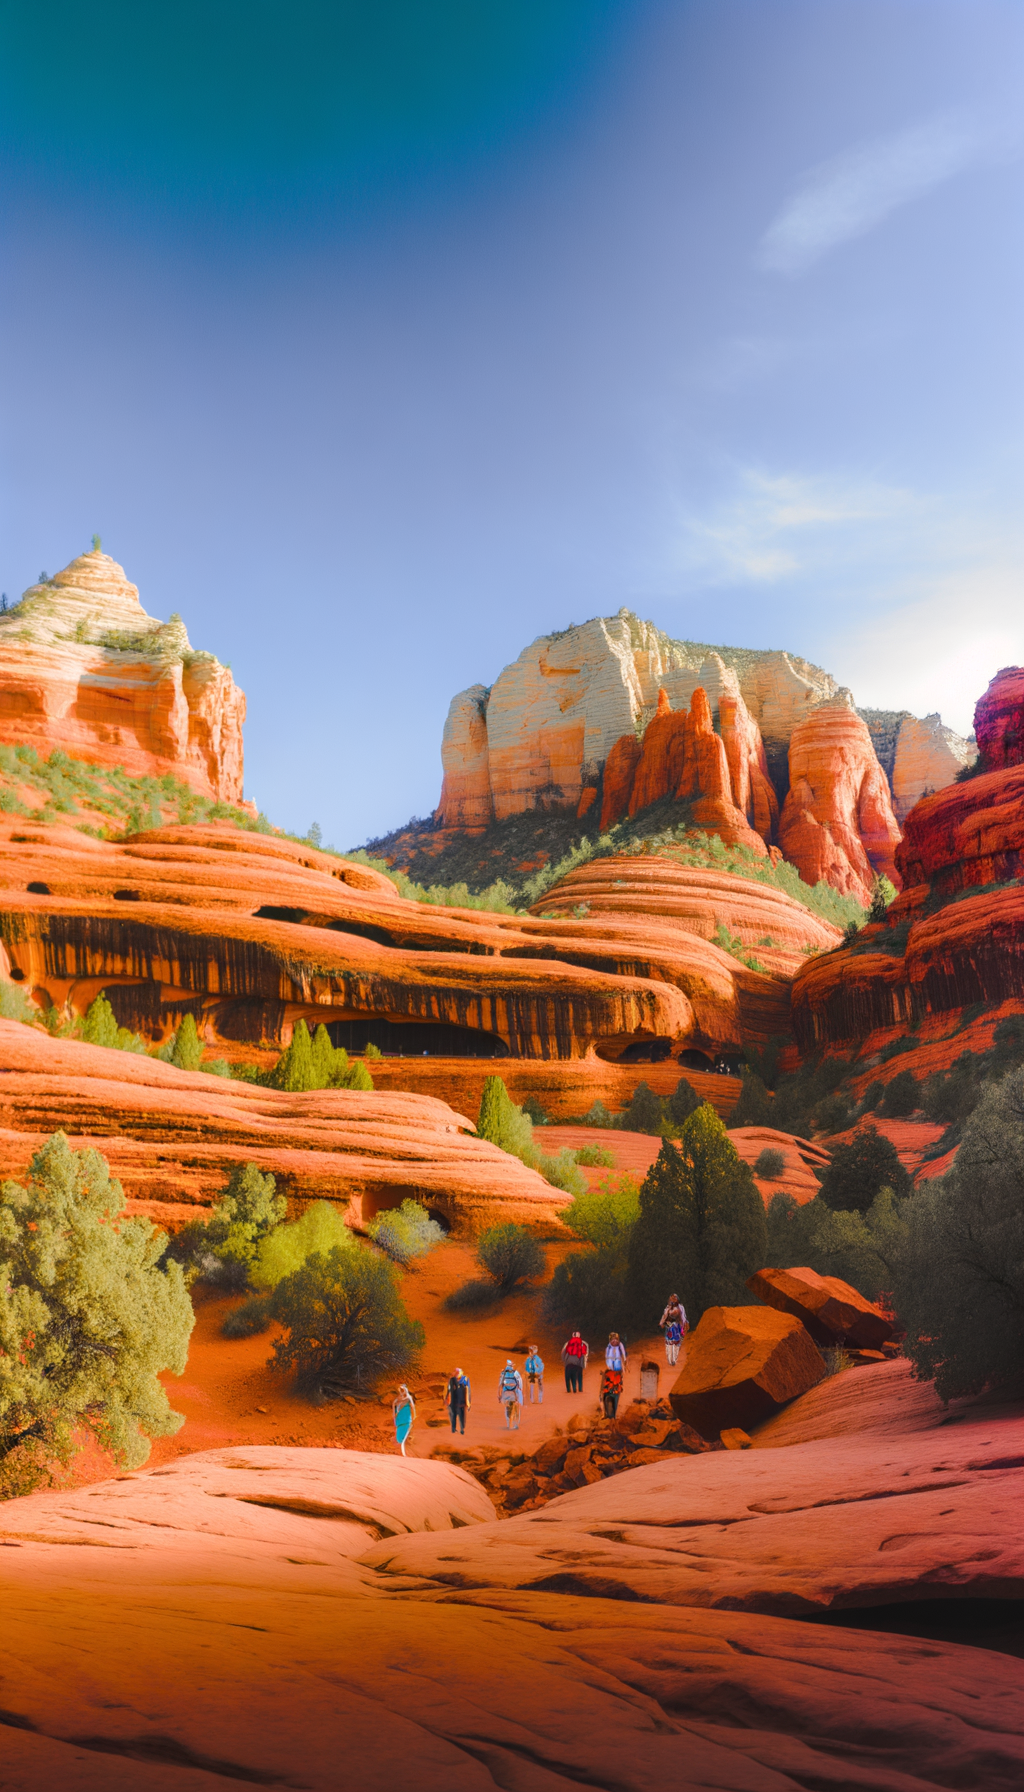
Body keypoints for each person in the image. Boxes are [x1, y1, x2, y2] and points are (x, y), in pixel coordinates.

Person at [660, 1295, 687, 1367]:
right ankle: (670, 1359)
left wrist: (683, 1326)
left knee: (676, 1345)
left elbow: (682, 1317)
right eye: (672, 1300)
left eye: (674, 1300)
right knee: (669, 1344)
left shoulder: (680, 1308)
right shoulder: (667, 1309)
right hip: (670, 1328)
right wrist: (662, 1323)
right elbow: (664, 1317)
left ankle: (674, 1360)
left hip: (676, 1328)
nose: (673, 1302)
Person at [498, 1359, 524, 1429]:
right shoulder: (516, 1373)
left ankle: (508, 1424)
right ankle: (515, 1424)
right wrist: (520, 1393)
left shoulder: (503, 1373)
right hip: (514, 1394)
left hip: (505, 1394)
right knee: (516, 1408)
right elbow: (520, 1384)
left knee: (507, 1408)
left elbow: (500, 1385)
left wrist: (499, 1395)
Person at [445, 1366, 471, 1435]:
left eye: (457, 1372)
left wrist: (468, 1402)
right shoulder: (452, 1380)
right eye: (455, 1372)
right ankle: (453, 1429)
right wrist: (447, 1398)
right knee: (453, 1416)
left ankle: (462, 1429)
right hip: (453, 1402)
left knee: (462, 1416)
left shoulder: (465, 1379)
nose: (456, 1374)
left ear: (461, 1373)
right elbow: (449, 1389)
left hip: (462, 1402)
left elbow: (468, 1391)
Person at [392, 1383, 416, 1456]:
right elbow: (393, 1413)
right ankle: (405, 1455)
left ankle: (408, 1455)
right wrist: (395, 1422)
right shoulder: (396, 1402)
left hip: (407, 1421)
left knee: (406, 1439)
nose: (402, 1392)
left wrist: (414, 1417)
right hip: (399, 1423)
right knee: (399, 1440)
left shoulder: (408, 1399)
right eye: (401, 1390)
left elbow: (413, 1408)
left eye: (403, 1390)